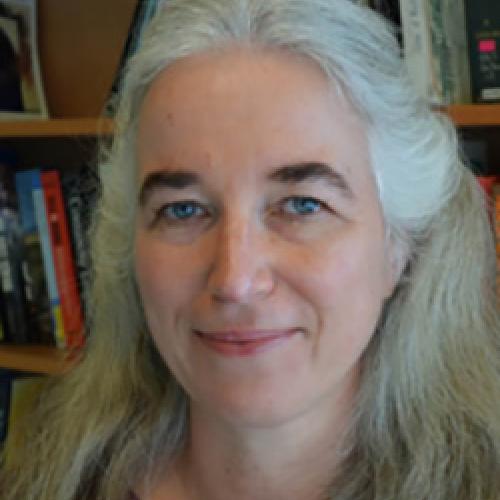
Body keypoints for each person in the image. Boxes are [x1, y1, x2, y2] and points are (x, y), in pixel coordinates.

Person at [2, 0, 500, 498]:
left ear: (397, 247)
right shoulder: (50, 481)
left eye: (303, 205)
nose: (235, 280)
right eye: (183, 209)